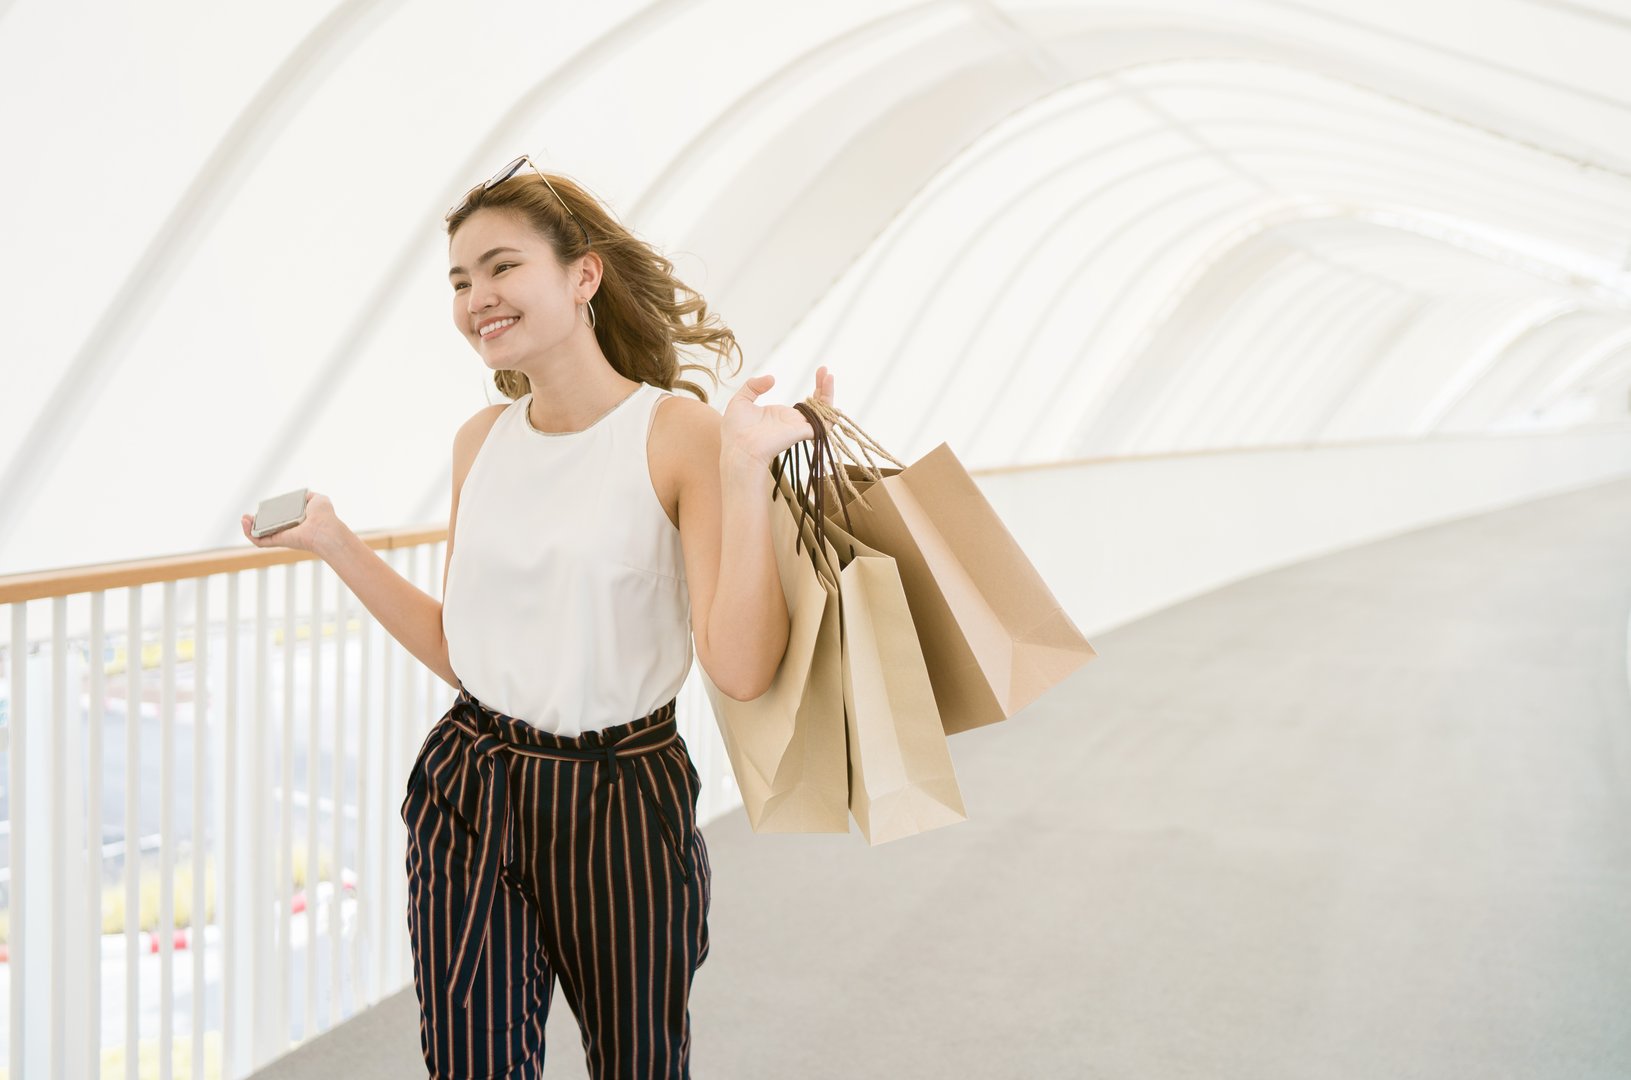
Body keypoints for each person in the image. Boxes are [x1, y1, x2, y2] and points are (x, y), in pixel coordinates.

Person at [240, 153, 836, 1078]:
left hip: (621, 801)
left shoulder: (674, 433)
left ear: (582, 274)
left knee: (638, 1063)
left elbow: (741, 665)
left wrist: (743, 473)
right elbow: (464, 650)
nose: (477, 295)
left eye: (502, 266)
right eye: (459, 280)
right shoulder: (479, 442)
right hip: (471, 783)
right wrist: (333, 543)